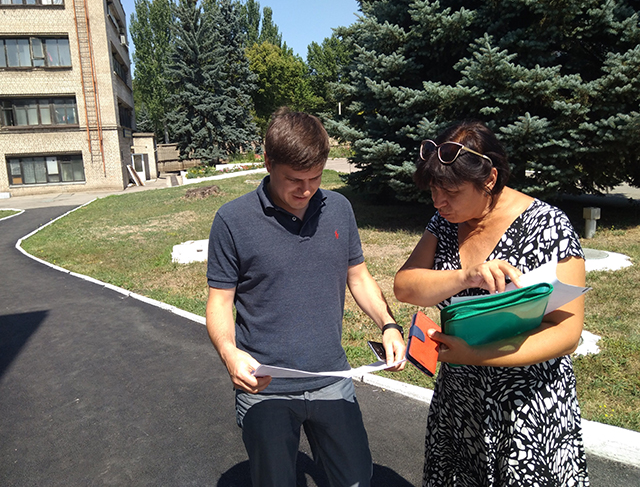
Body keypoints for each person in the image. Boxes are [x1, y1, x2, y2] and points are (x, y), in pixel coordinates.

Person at [205, 109, 406, 487]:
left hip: (332, 376)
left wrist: (389, 324)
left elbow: (358, 277)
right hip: (265, 386)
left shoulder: (339, 209)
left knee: (355, 479)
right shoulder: (232, 220)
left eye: (315, 178)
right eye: (294, 180)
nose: (306, 190)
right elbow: (219, 302)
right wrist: (229, 353)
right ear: (268, 163)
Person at [394, 120, 589, 486]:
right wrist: (465, 276)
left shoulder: (549, 226)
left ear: (489, 179)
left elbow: (567, 333)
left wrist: (475, 355)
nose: (438, 202)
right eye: (434, 190)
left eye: (451, 192)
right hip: (460, 405)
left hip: (527, 409)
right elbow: (405, 286)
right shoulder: (445, 222)